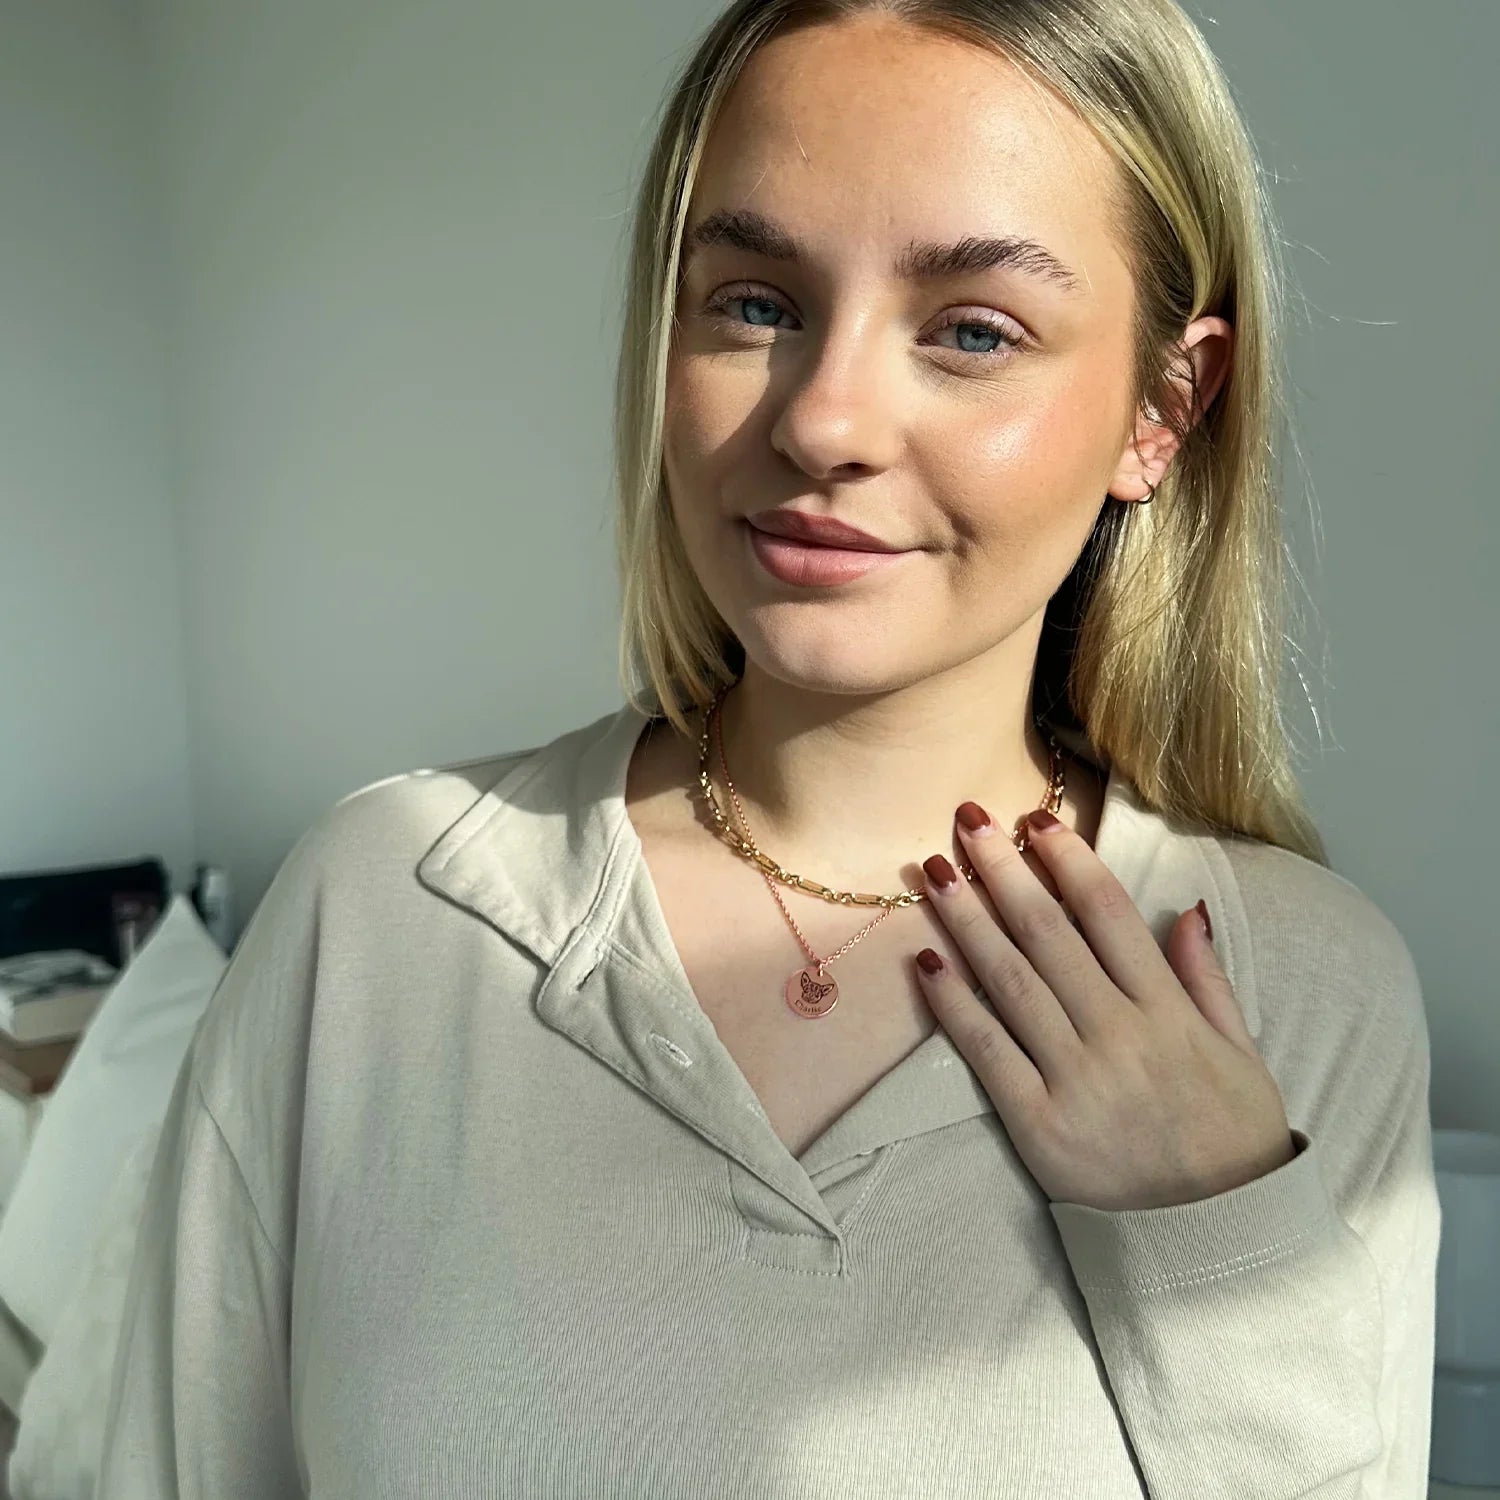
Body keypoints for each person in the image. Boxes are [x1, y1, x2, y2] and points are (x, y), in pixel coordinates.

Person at [97, 1, 1440, 1495]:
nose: (825, 421)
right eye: (754, 304)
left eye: (974, 330)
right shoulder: (378, 913)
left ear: (1163, 408)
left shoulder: (1301, 988)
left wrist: (1214, 1228)